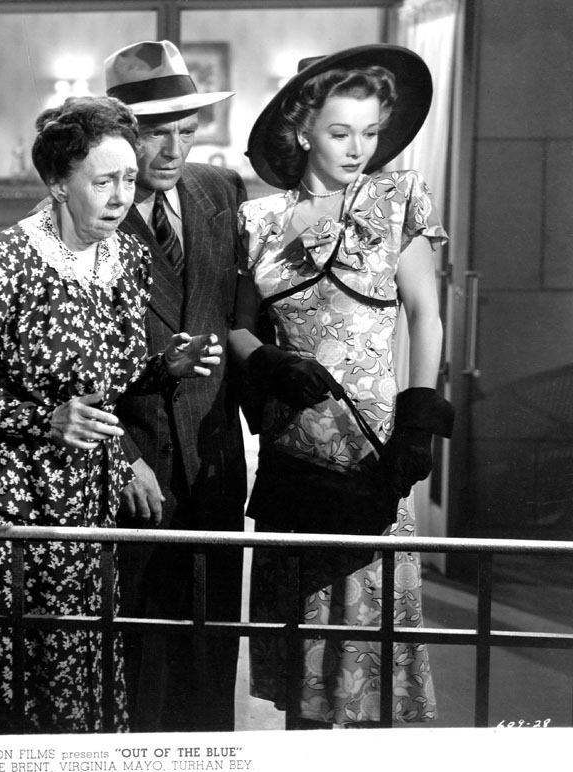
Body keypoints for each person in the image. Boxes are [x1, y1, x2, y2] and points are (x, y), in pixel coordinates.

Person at [0, 95, 222, 734]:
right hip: (2, 496)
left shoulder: (126, 257)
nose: (120, 196)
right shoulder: (5, 264)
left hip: (81, 493)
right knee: (4, 671)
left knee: (73, 663)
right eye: (103, 181)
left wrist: (165, 367)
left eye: (128, 179)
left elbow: (107, 377)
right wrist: (44, 420)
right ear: (57, 183)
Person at [231, 44, 453, 728]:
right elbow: (235, 329)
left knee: (369, 649)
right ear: (303, 132)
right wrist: (269, 361)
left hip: (374, 446)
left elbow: (426, 315)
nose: (358, 149)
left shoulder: (398, 199)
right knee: (302, 662)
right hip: (294, 451)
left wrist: (419, 419)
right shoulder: (257, 221)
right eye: (339, 132)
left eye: (370, 132)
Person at [104, 39, 248, 732]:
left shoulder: (220, 190)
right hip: (136, 458)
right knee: (138, 654)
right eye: (154, 132)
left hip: (214, 456)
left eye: (186, 131)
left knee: (212, 646)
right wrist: (121, 455)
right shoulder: (92, 209)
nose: (172, 150)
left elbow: (239, 314)